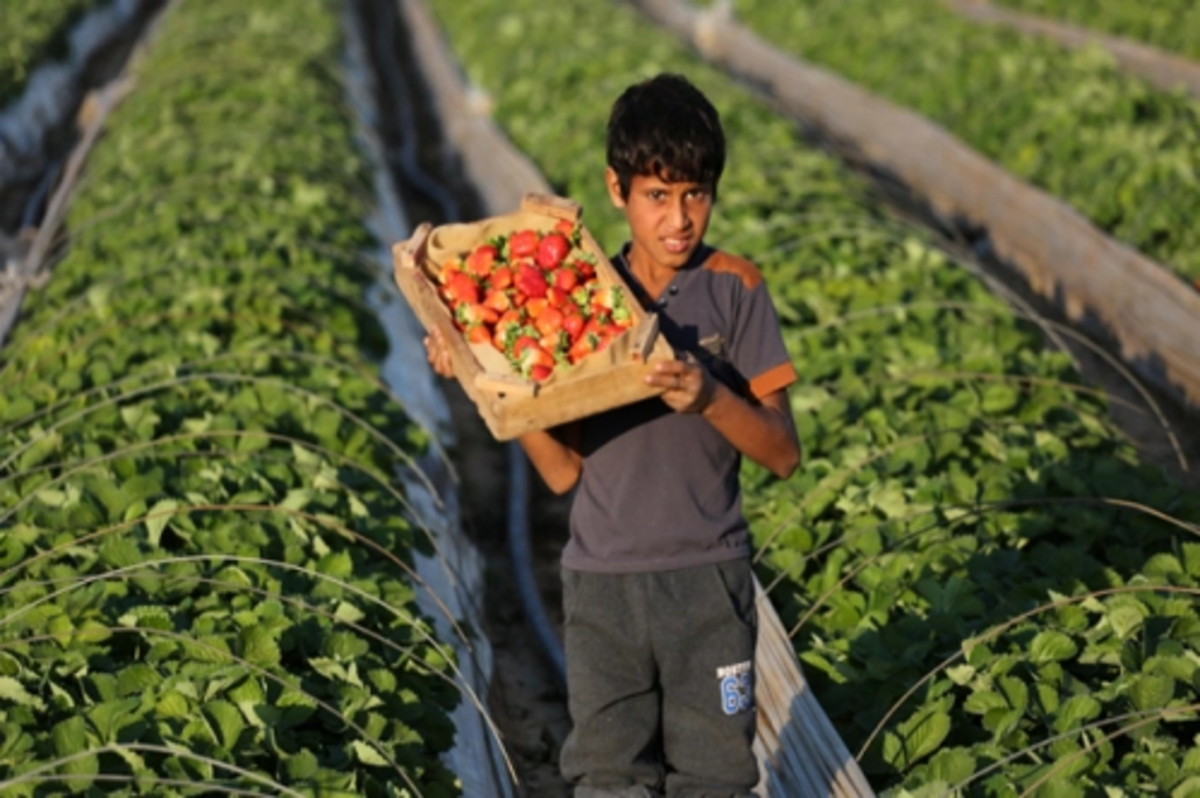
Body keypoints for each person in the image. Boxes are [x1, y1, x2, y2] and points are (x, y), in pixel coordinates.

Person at [425, 72, 800, 797]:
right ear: (616, 189)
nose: (679, 218)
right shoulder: (584, 299)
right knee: (606, 775)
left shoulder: (737, 288)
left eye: (696, 193)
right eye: (657, 196)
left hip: (708, 584)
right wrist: (481, 381)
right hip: (602, 588)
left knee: (717, 774)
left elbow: (783, 453)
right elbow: (563, 473)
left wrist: (708, 395)